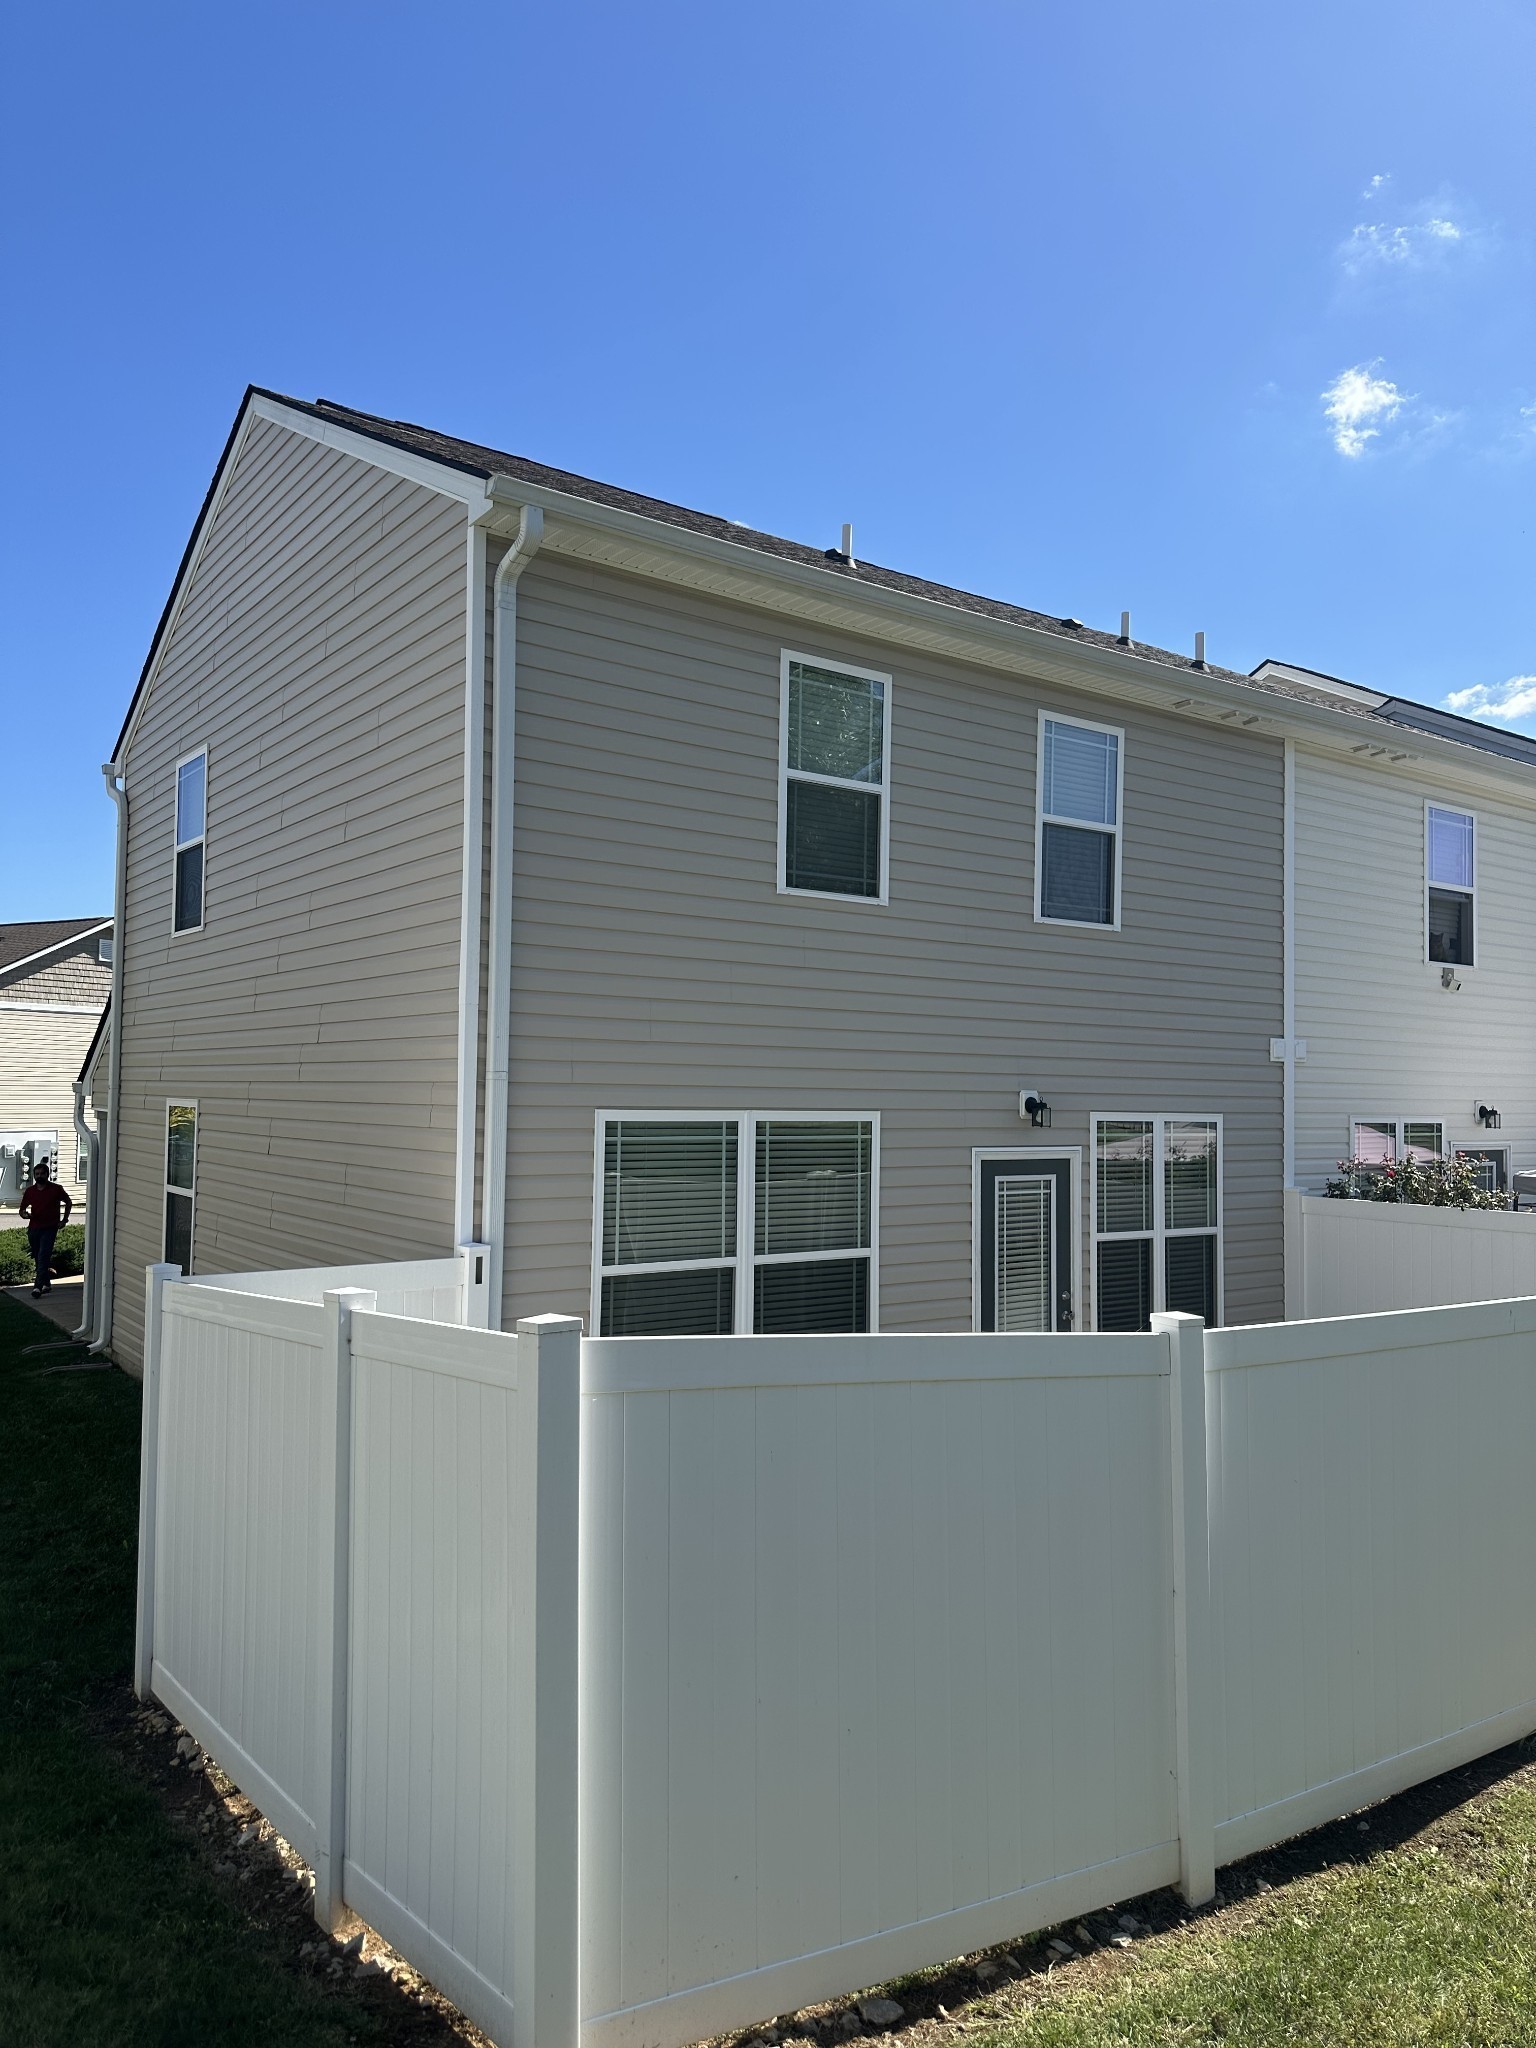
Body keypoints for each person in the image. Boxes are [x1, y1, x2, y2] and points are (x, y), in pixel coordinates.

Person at [19, 1159, 72, 1298]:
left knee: (43, 1256)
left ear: (47, 1174)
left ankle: (37, 1287)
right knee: (38, 1257)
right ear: (34, 1175)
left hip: (50, 1228)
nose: (39, 1176)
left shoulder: (56, 1189)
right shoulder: (30, 1191)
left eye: (42, 1173)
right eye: (37, 1174)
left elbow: (68, 1202)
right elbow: (22, 1209)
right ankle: (47, 1284)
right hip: (34, 1228)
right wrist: (25, 1215)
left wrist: (64, 1220)